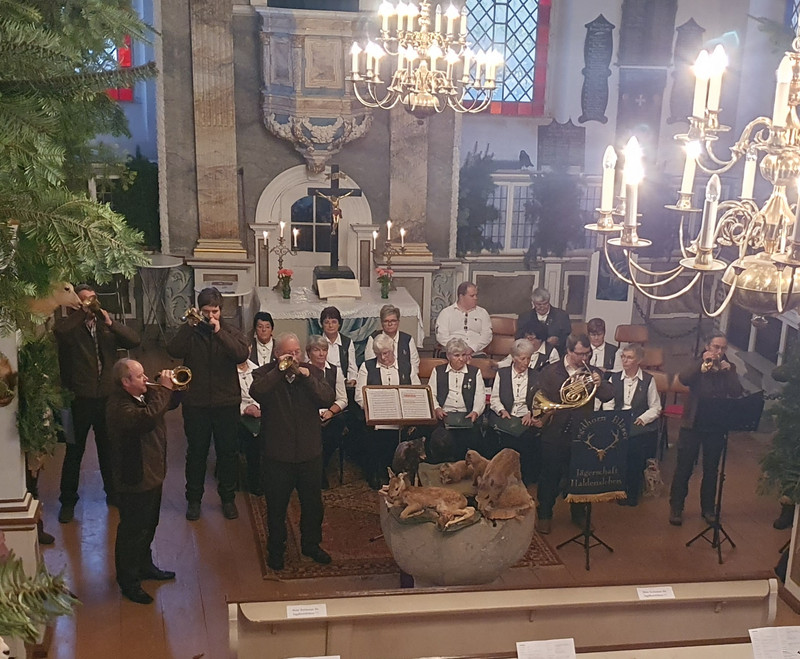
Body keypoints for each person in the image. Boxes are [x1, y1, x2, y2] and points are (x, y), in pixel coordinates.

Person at [54, 283, 141, 523]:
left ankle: (113, 495)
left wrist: (111, 323)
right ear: (76, 304)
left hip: (106, 399)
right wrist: (83, 312)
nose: (91, 304)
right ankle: (68, 502)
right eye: (85, 300)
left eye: (93, 299)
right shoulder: (68, 328)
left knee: (109, 449)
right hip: (77, 400)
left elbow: (134, 340)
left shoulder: (105, 327)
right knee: (74, 452)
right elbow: (60, 334)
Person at [249, 332, 335, 571]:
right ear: (277, 354)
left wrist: (306, 377)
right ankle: (276, 550)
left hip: (309, 454)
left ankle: (311, 544)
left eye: (297, 352)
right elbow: (258, 392)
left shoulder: (313, 372)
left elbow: (327, 397)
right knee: (276, 508)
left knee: (313, 506)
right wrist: (279, 370)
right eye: (289, 353)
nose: (294, 357)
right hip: (278, 456)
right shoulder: (264, 374)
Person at [167, 287, 250, 522]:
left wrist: (219, 332)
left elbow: (240, 354)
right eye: (206, 312)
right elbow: (173, 350)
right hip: (196, 403)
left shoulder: (231, 331)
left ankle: (227, 498)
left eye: (214, 311)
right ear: (199, 310)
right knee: (196, 453)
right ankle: (194, 499)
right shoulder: (191, 332)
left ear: (221, 311)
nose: (210, 316)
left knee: (227, 453)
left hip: (226, 402)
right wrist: (188, 327)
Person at [107, 359, 176, 605]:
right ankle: (129, 581)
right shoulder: (119, 406)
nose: (145, 377)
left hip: (152, 473)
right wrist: (165, 389)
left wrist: (172, 389)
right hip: (134, 477)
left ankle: (145, 565)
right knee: (132, 531)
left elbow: (169, 404)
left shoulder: (143, 395)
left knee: (149, 524)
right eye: (139, 376)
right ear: (126, 382)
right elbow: (146, 419)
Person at [535, 333, 614, 534]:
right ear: (568, 351)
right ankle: (544, 514)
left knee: (578, 477)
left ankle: (578, 514)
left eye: (587, 354)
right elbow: (537, 397)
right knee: (549, 476)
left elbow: (608, 395)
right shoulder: (551, 371)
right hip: (555, 431)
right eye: (580, 354)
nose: (584, 359)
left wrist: (600, 383)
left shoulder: (593, 372)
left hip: (582, 432)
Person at [668, 332, 743, 526]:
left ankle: (708, 509)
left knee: (711, 470)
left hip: (716, 426)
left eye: (723, 348)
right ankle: (676, 507)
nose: (719, 352)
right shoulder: (697, 363)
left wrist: (730, 372)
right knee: (684, 467)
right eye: (716, 347)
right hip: (693, 424)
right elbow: (683, 378)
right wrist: (702, 365)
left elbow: (736, 392)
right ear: (708, 346)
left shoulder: (728, 367)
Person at [355, 333, 422, 488]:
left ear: (393, 350)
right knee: (371, 438)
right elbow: (359, 396)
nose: (383, 357)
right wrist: (376, 409)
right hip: (378, 420)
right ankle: (377, 473)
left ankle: (403, 475)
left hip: (402, 421)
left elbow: (417, 391)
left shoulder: (406, 366)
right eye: (379, 354)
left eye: (386, 353)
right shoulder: (367, 366)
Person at [602, 344, 661, 507]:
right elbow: (608, 402)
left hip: (638, 423)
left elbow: (655, 407)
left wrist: (643, 418)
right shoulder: (614, 378)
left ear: (639, 360)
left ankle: (632, 491)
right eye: (623, 357)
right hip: (618, 421)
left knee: (634, 454)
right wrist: (611, 418)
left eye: (629, 357)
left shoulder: (648, 380)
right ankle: (616, 488)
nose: (625, 360)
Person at [489, 339, 543, 485]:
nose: (526, 362)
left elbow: (538, 401)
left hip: (525, 418)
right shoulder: (503, 373)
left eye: (529, 358)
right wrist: (502, 410)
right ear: (513, 358)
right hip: (506, 417)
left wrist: (531, 413)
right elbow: (494, 399)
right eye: (523, 358)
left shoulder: (536, 376)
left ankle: (524, 480)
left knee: (528, 441)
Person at [427, 338, 486, 463]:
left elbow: (480, 396)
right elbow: (431, 394)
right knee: (440, 439)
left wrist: (475, 412)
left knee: (475, 440)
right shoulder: (438, 371)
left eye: (464, 355)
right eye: (457, 355)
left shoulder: (475, 372)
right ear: (448, 356)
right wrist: (437, 408)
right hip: (444, 416)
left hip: (467, 417)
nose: (461, 359)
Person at [306, 335, 348, 489]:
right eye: (317, 350)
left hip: (330, 415)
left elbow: (343, 399)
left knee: (338, 424)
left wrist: (331, 411)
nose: (321, 354)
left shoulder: (335, 371)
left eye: (324, 350)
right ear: (309, 352)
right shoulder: (303, 370)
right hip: (309, 414)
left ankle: (320, 466)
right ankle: (316, 470)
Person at [435, 282, 492, 355]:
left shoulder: (483, 313)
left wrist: (472, 348)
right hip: (452, 354)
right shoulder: (446, 313)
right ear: (461, 296)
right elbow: (442, 336)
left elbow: (487, 335)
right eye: (472, 296)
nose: (475, 298)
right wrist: (458, 350)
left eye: (476, 295)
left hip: (476, 353)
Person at [364, 304, 421, 379]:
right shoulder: (373, 338)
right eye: (386, 321)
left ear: (398, 322)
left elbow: (414, 363)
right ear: (381, 323)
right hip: (380, 378)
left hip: (403, 378)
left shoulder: (407, 339)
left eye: (393, 321)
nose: (390, 324)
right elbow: (370, 362)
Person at [517, 287, 572, 357]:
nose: (542, 307)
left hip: (556, 354)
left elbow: (568, 338)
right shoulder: (525, 317)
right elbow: (518, 338)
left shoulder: (561, 316)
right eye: (539, 304)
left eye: (545, 303)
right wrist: (527, 340)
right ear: (533, 303)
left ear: (549, 301)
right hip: (530, 355)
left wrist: (558, 341)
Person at [237, 350, 262, 496]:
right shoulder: (227, 372)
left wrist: (256, 406)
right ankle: (254, 482)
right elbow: (227, 397)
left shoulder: (257, 369)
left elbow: (262, 392)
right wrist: (245, 409)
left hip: (258, 412)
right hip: (237, 414)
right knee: (253, 437)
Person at [320, 306, 358, 384]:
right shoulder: (316, 342)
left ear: (339, 324)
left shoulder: (347, 342)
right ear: (322, 325)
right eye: (327, 322)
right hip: (323, 382)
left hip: (343, 382)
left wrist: (352, 379)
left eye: (334, 322)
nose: (330, 326)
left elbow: (352, 367)